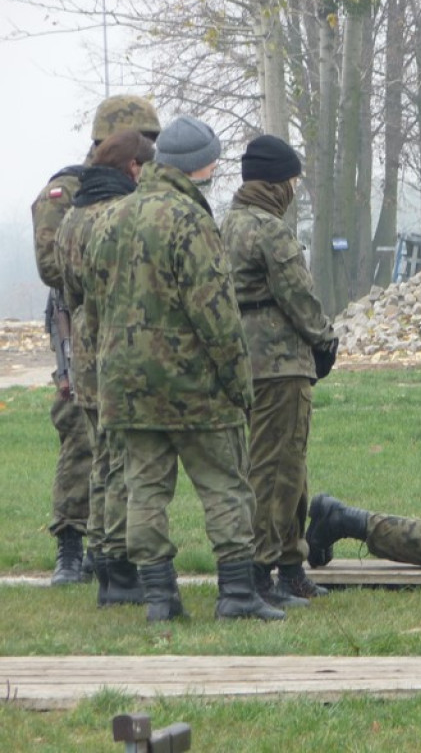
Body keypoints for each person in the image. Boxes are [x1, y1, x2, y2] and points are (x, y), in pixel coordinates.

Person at [84, 115, 283, 623]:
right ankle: (237, 594)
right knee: (224, 486)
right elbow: (215, 312)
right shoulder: (191, 221)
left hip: (126, 388)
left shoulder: (108, 218)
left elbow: (92, 307)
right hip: (195, 389)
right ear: (204, 166)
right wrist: (240, 384)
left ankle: (158, 598)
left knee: (144, 490)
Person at [31, 95, 162, 586]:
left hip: (130, 326)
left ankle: (115, 546)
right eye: (143, 139)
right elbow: (52, 267)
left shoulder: (144, 183)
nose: (149, 149)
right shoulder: (66, 190)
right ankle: (71, 542)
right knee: (78, 432)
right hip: (77, 320)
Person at [221, 134, 338, 608]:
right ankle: (261, 573)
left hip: (241, 364)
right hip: (281, 366)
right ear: (275, 183)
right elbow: (298, 296)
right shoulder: (270, 230)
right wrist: (325, 341)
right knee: (276, 473)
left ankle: (291, 566)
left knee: (281, 467)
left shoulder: (224, 226)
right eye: (290, 180)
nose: (293, 190)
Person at [55, 130, 156, 607]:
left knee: (101, 460)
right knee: (119, 463)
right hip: (116, 347)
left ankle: (101, 558)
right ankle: (118, 567)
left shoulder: (71, 218)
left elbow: (66, 291)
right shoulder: (116, 217)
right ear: (133, 168)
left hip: (84, 347)